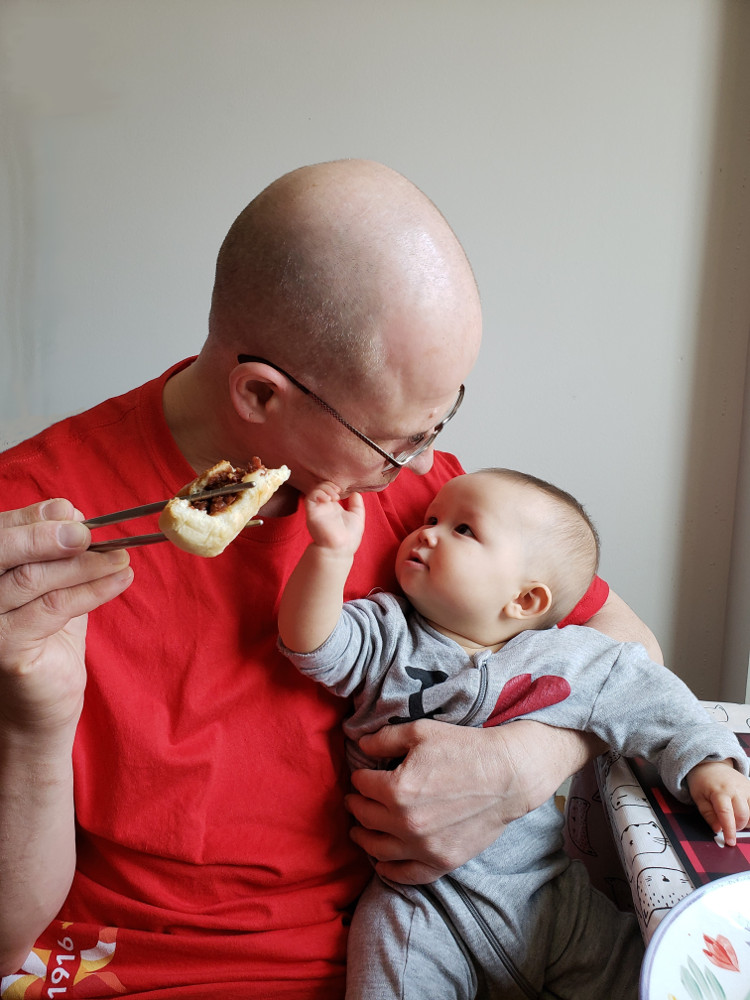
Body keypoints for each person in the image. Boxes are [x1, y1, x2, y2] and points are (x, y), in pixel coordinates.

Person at [0, 159, 660, 999]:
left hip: (399, 951)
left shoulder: (433, 513)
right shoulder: (26, 539)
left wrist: (525, 761)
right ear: (260, 394)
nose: (423, 464)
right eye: (396, 443)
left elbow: (631, 645)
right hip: (125, 967)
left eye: (442, 418)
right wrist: (32, 727)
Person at [277, 468, 750, 1000]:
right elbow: (312, 645)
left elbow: (652, 697)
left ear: (525, 601)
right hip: (416, 907)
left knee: (652, 977)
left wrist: (709, 763)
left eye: (463, 531)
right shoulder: (388, 632)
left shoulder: (566, 658)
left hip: (551, 897)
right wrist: (329, 556)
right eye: (432, 518)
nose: (427, 532)